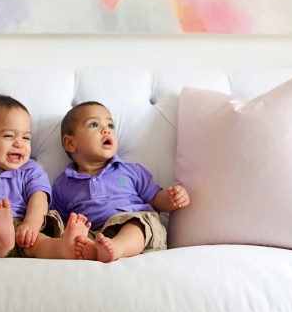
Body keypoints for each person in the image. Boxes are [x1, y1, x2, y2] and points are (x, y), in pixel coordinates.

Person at [0, 95, 89, 258]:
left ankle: (62, 247)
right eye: (9, 136)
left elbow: (39, 199)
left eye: (26, 137)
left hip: (23, 225)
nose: (19, 143)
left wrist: (31, 224)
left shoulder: (31, 169)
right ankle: (1, 240)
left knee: (39, 242)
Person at [52, 101, 190, 262]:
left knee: (138, 223)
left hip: (134, 227)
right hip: (95, 234)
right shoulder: (62, 185)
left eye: (110, 125)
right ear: (70, 143)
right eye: (94, 124)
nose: (106, 130)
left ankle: (117, 248)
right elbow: (60, 224)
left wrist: (172, 198)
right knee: (76, 237)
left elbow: (156, 200)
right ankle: (95, 249)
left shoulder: (131, 171)